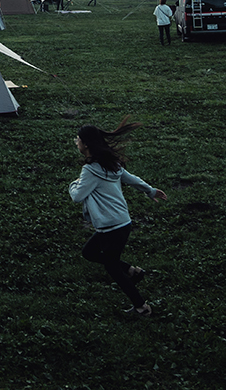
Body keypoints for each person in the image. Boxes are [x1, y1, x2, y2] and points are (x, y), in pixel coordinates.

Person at [68, 122, 167, 317]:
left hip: (111, 226)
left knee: (112, 267)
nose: (76, 141)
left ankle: (141, 307)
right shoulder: (111, 164)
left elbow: (77, 196)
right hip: (122, 223)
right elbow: (132, 179)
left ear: (86, 145)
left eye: (78, 139)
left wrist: (74, 184)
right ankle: (133, 272)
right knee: (89, 252)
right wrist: (151, 191)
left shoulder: (90, 170)